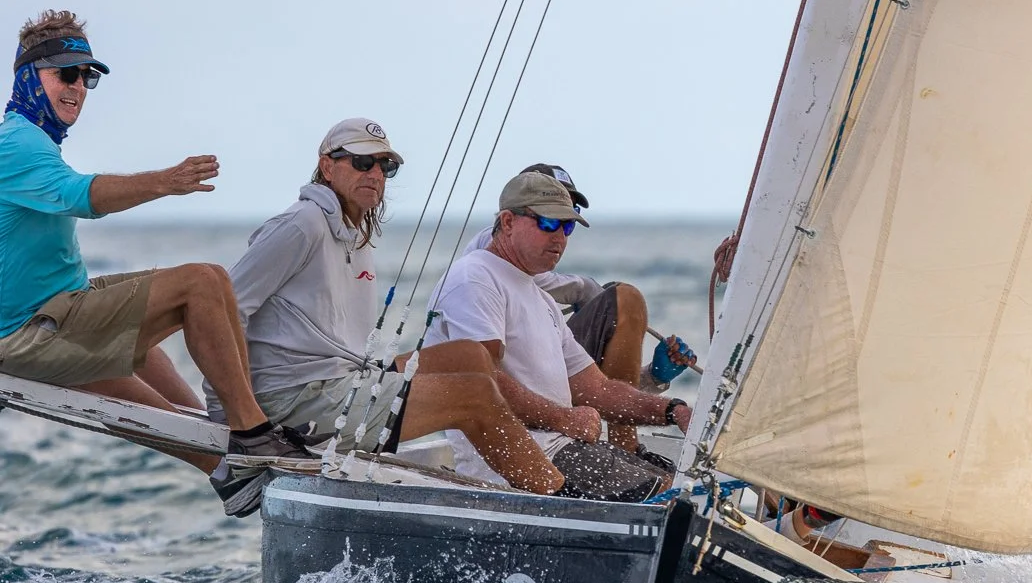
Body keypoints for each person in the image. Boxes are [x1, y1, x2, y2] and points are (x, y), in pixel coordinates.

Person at [0, 9, 312, 511]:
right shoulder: (17, 144)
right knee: (203, 283)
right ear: (29, 78)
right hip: (30, 334)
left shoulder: (34, 141)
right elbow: (79, 195)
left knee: (145, 345)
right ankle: (252, 431)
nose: (79, 87)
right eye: (66, 74)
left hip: (51, 312)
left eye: (87, 77)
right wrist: (165, 181)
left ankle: (226, 456)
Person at [208, 119, 567, 513]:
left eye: (385, 166)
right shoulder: (303, 224)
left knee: (471, 356)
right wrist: (238, 419)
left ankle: (517, 471)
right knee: (473, 395)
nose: (376, 174)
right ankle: (557, 505)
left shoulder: (355, 233)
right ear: (328, 167)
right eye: (363, 163)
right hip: (296, 399)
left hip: (340, 379)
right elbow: (221, 310)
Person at [428, 171, 693, 502]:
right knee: (676, 502)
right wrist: (564, 418)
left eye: (567, 227)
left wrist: (673, 410)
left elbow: (597, 389)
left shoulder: (542, 300)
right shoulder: (475, 278)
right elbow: (482, 381)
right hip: (522, 464)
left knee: (687, 492)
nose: (560, 238)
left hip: (566, 447)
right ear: (507, 222)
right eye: (548, 224)